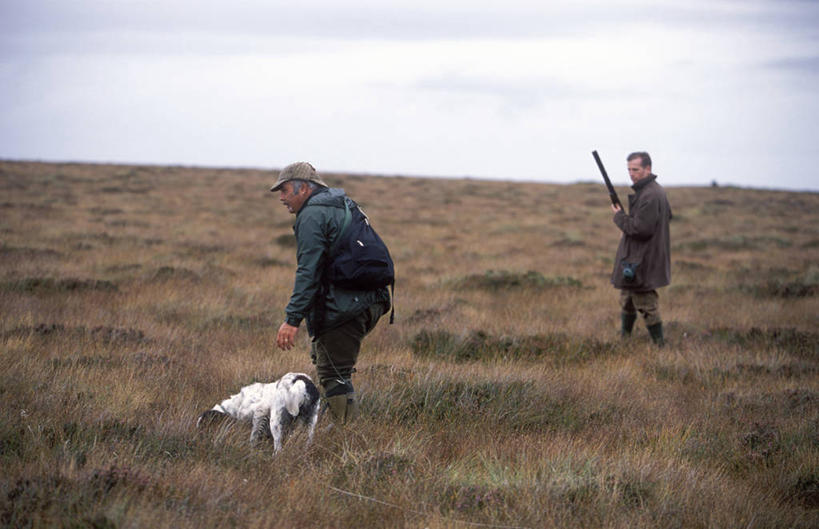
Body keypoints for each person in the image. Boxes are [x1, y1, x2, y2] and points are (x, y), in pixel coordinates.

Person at [271, 162, 391, 423]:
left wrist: (292, 320)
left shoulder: (312, 215)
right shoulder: (342, 203)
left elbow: (308, 272)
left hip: (348, 304)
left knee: (333, 372)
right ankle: (333, 424)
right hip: (373, 299)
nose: (281, 198)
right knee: (329, 364)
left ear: (304, 188)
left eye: (284, 190)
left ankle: (348, 439)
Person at [611, 152, 672, 346]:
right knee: (628, 298)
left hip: (642, 259)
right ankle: (625, 340)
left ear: (648, 169)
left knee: (646, 303)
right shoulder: (653, 191)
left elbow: (641, 229)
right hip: (639, 257)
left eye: (635, 170)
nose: (631, 174)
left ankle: (660, 346)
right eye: (629, 169)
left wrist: (620, 217)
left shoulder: (650, 194)